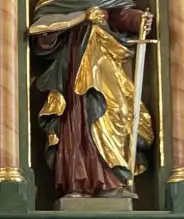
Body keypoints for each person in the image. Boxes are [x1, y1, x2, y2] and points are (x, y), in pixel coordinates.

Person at [29, 1, 153, 199]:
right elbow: (42, 33)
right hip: (73, 64)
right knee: (77, 122)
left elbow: (120, 14)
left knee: (114, 112)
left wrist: (138, 20)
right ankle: (77, 183)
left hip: (105, 58)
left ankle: (112, 180)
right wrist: (80, 18)